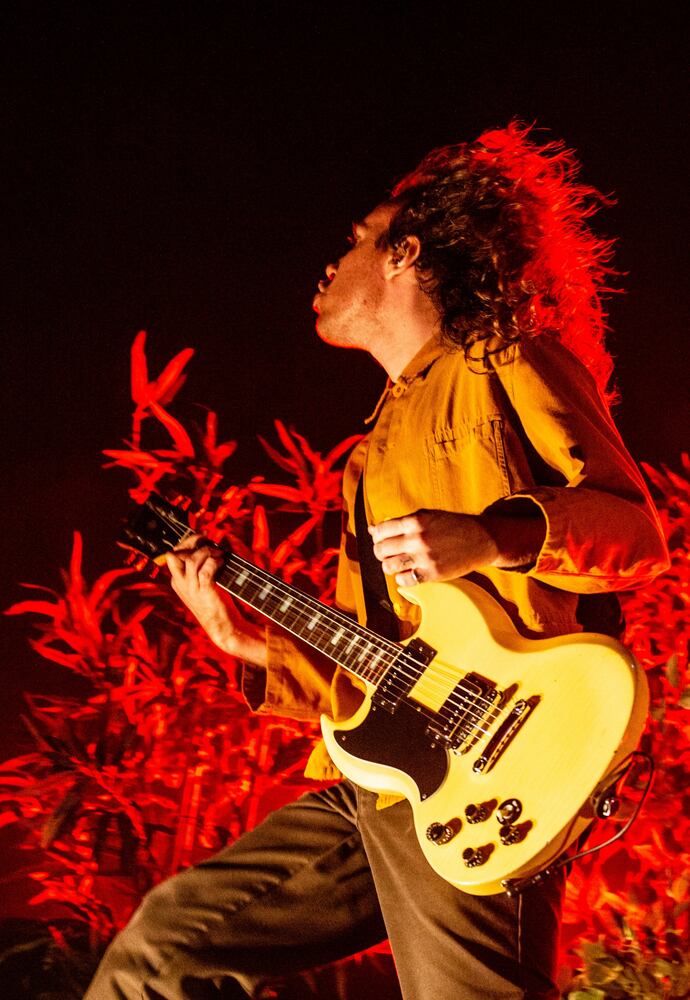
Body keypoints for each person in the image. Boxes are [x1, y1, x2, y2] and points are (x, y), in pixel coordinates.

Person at [84, 122, 669, 1000]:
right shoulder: (368, 452)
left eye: (358, 237)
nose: (332, 261)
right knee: (161, 953)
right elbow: (386, 665)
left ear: (406, 253)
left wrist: (495, 535)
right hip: (384, 780)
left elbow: (635, 535)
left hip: (494, 771)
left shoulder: (504, 358)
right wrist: (245, 642)